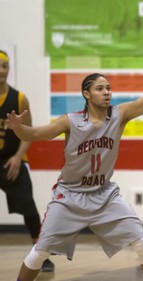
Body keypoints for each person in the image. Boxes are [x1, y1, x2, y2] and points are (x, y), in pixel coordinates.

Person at [5, 39, 143, 280]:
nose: (107, 92)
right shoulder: (70, 121)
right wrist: (17, 128)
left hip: (104, 194)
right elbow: (34, 134)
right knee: (40, 252)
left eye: (108, 88)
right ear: (86, 94)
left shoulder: (120, 115)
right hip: (69, 196)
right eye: (100, 88)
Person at [0, 50, 54, 272]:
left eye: (4, 66)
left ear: (8, 70)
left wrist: (17, 156)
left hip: (12, 160)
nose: (1, 70)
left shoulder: (19, 98)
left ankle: (42, 256)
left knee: (29, 209)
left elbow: (29, 132)